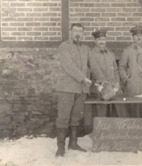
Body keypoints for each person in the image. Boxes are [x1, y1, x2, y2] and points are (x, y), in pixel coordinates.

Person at [54, 23, 92, 157]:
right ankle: (60, 147)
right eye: (75, 31)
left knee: (76, 118)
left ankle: (73, 143)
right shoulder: (64, 47)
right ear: (71, 32)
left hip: (81, 90)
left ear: (83, 34)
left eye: (81, 31)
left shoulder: (86, 49)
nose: (78, 34)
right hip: (66, 88)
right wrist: (83, 78)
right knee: (63, 117)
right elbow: (68, 65)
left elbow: (90, 66)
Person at [88, 28, 129, 117]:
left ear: (106, 40)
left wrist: (117, 84)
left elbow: (116, 71)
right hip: (100, 89)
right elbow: (90, 73)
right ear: (95, 41)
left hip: (114, 88)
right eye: (99, 40)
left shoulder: (110, 54)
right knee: (101, 114)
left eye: (103, 39)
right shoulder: (90, 54)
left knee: (120, 112)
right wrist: (98, 86)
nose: (101, 42)